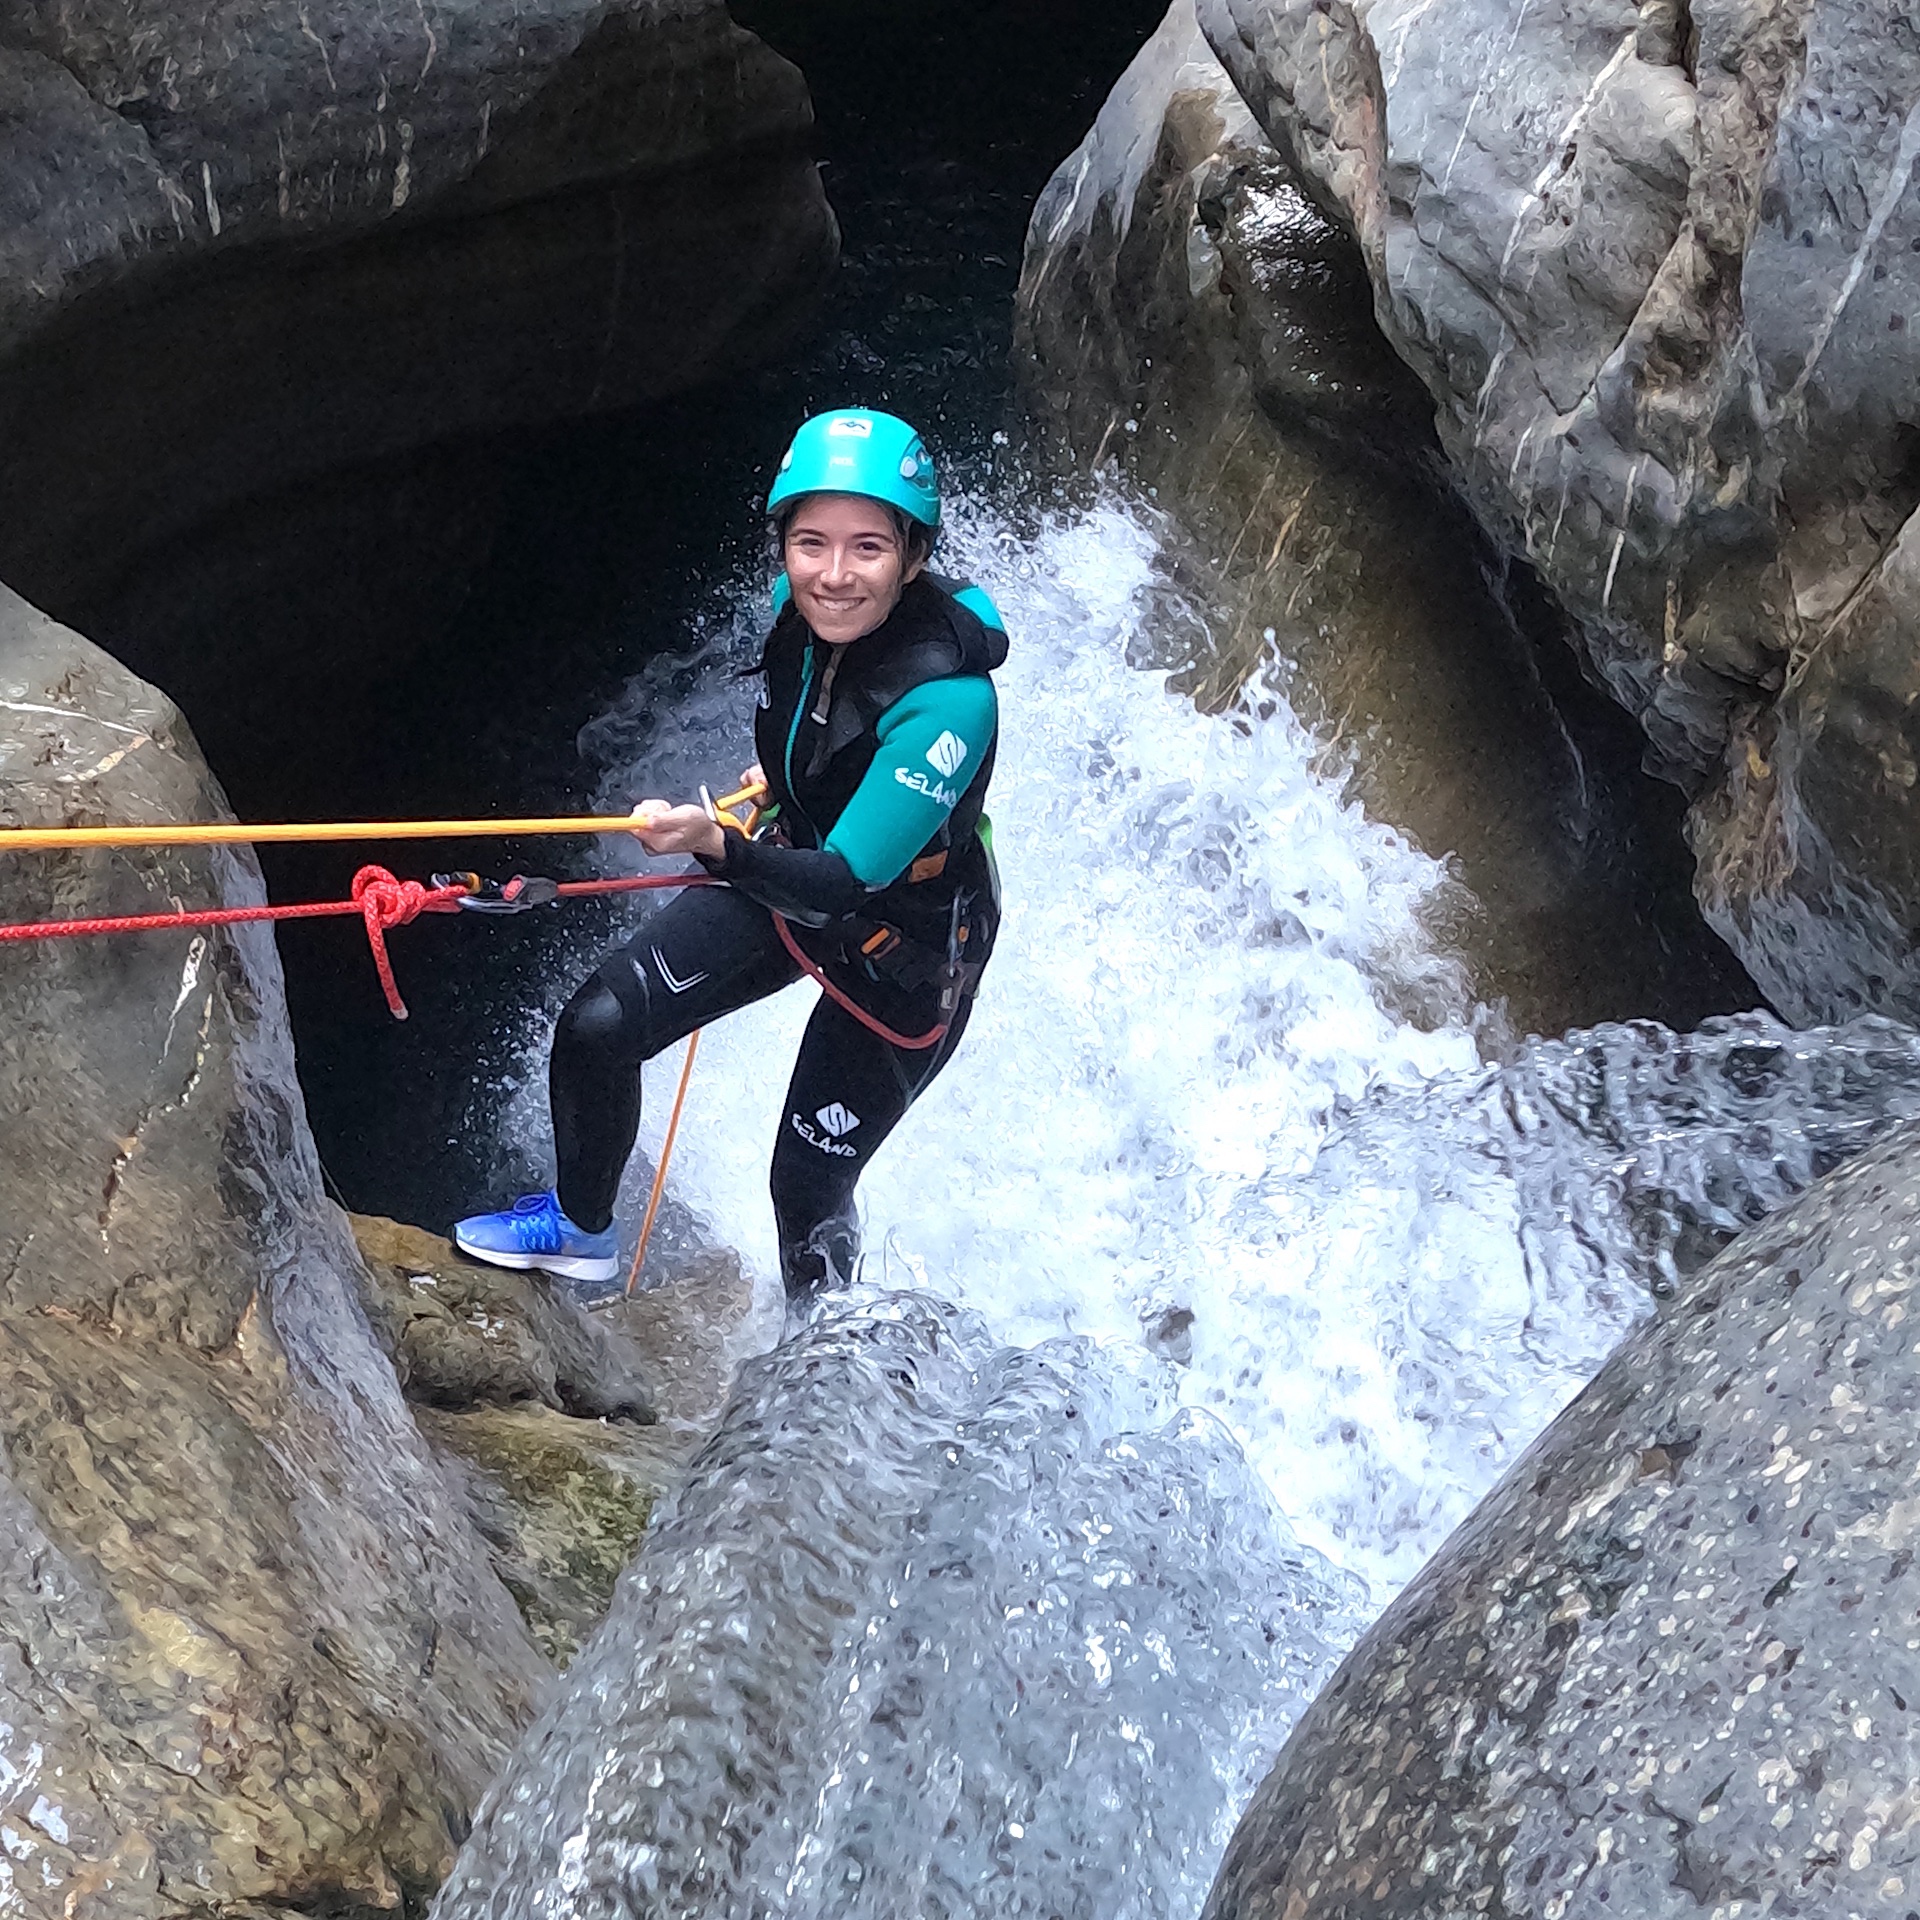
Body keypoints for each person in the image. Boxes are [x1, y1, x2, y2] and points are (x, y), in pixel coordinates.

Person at [453, 409, 1006, 1301]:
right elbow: (824, 725)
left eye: (867, 548)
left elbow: (838, 888)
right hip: (789, 866)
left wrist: (716, 844)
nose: (834, 575)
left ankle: (818, 1356)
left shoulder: (951, 703)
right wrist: (797, 779)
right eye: (810, 542)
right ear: (781, 542)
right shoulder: (806, 616)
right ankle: (580, 1227)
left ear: (912, 553)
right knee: (598, 1028)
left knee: (806, 1187)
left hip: (898, 947)